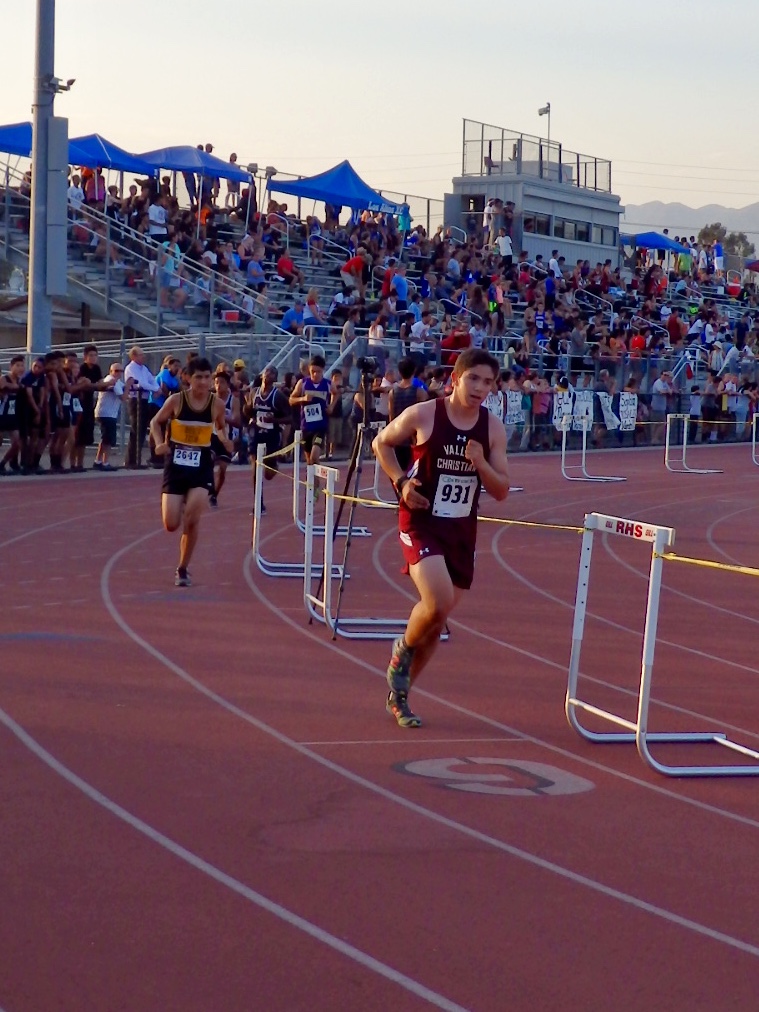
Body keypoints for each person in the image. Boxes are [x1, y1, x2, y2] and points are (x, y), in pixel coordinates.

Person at [373, 348, 510, 727]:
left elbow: (501, 490)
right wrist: (400, 482)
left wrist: (480, 462)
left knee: (437, 618)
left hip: (461, 530)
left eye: (488, 382)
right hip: (420, 521)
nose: (480, 388)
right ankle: (402, 651)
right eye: (474, 379)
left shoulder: (492, 428)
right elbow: (381, 443)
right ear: (456, 379)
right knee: (436, 603)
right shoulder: (424, 414)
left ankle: (399, 696)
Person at [149, 357, 231, 587]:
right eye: (198, 377)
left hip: (201, 466)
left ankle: (183, 568)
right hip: (176, 465)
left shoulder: (217, 404)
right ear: (187, 378)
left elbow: (220, 426)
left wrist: (224, 440)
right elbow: (156, 422)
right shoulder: (176, 400)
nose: (204, 382)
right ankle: (181, 501)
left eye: (207, 377)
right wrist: (158, 443)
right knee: (171, 524)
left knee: (192, 519)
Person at [244, 365, 290, 514]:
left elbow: (290, 418)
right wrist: (248, 410)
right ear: (262, 375)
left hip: (271, 435)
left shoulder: (278, 396)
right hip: (256, 433)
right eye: (266, 371)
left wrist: (274, 420)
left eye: (272, 373)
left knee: (268, 473)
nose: (268, 374)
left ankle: (274, 466)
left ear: (275, 378)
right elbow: (247, 411)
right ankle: (259, 503)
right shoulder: (253, 393)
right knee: (255, 468)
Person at [289, 354, 335, 470]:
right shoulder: (303, 383)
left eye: (318, 372)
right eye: (312, 371)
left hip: (320, 426)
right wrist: (302, 399)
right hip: (306, 426)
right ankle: (315, 485)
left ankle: (316, 483)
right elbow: (291, 400)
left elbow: (336, 393)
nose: (315, 374)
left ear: (323, 371)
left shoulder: (328, 384)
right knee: (310, 461)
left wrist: (331, 406)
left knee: (315, 454)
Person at [209, 370, 239, 507]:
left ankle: (214, 494)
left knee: (222, 469)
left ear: (227, 385)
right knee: (208, 459)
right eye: (216, 382)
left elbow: (237, 421)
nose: (218, 385)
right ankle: (209, 484)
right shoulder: (210, 399)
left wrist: (222, 418)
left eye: (221, 382)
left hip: (227, 438)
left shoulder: (233, 401)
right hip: (212, 435)